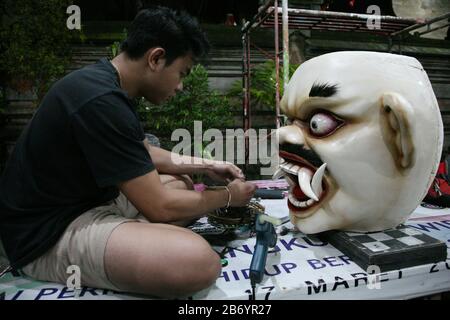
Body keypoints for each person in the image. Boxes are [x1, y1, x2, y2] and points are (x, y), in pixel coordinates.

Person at [0, 6, 256, 298]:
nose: (181, 86)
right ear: (156, 58)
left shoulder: (105, 83)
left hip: (88, 201)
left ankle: (133, 242)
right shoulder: (101, 100)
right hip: (45, 233)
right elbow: (158, 207)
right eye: (181, 73)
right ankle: (136, 244)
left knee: (181, 182)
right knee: (198, 261)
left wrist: (207, 165)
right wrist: (228, 196)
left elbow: (140, 151)